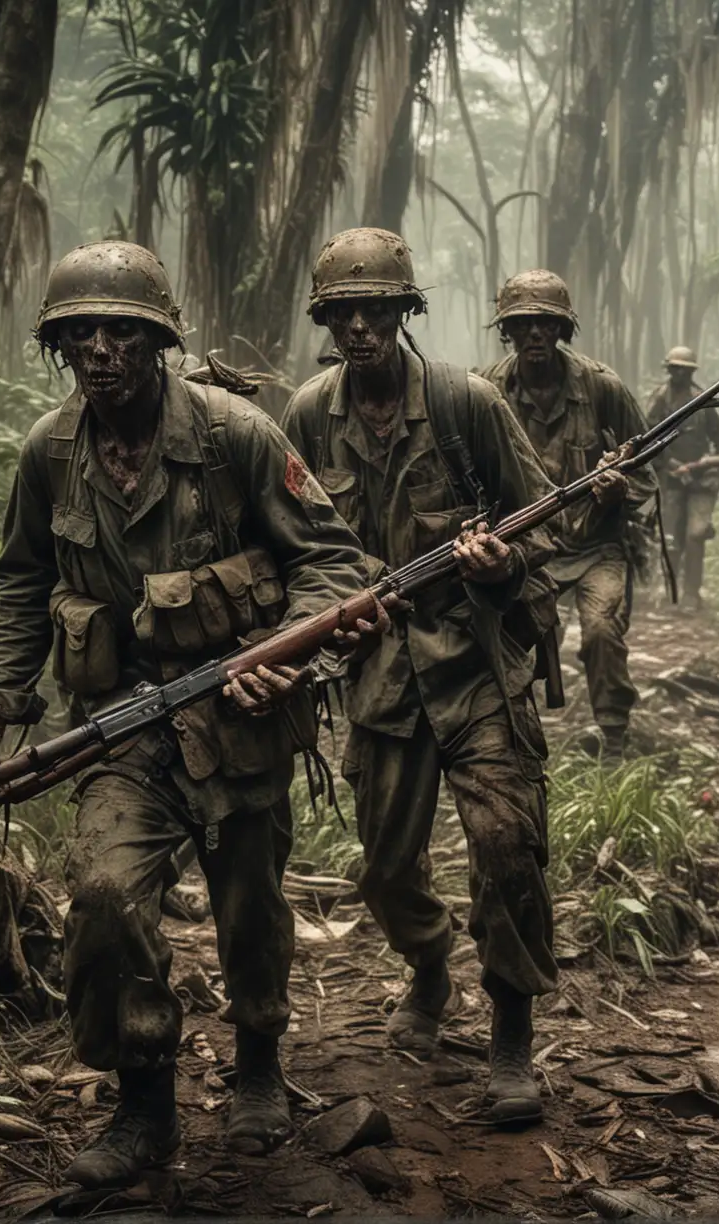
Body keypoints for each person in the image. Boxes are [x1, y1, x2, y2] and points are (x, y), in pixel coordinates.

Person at [0, 241, 368, 1187]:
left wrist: (291, 653)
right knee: (104, 898)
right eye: (80, 333)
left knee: (250, 909)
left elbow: (335, 563)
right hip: (119, 726)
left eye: (122, 331)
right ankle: (144, 1105)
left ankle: (259, 1068)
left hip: (241, 714)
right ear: (59, 344)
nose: (100, 350)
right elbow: (22, 586)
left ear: (159, 341)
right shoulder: (51, 453)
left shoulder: (238, 437)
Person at [281, 228, 561, 1124]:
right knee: (387, 872)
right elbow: (281, 548)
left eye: (378, 310)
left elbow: (542, 522)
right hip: (378, 682)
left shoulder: (465, 402)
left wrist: (498, 567)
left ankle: (511, 1038)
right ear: (326, 319)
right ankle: (432, 963)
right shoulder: (304, 417)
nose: (360, 327)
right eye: (343, 312)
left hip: (477, 667)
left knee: (507, 845)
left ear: (405, 314)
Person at [480, 270, 651, 757]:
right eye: (524, 323)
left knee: (601, 631)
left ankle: (614, 736)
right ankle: (508, 742)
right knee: (503, 641)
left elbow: (645, 476)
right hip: (524, 551)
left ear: (563, 330)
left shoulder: (602, 388)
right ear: (506, 330)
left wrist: (618, 490)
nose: (536, 334)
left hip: (597, 546)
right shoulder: (485, 391)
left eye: (547, 323)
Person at [650, 346, 719, 611]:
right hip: (670, 481)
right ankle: (671, 592)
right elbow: (646, 440)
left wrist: (704, 466)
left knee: (695, 536)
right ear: (668, 369)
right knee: (670, 540)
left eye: (684, 370)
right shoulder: (659, 400)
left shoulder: (703, 401)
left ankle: (691, 594)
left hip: (699, 482)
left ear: (691, 372)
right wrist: (669, 464)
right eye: (675, 368)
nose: (679, 374)